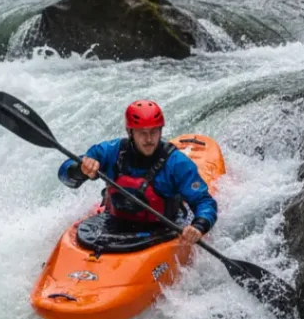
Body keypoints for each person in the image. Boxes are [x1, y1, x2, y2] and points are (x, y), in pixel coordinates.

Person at [57, 100, 217, 244]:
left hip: (161, 228)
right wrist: (80, 170)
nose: (149, 139)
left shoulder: (177, 163)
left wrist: (199, 226)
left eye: (154, 132)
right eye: (142, 133)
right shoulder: (110, 151)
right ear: (130, 133)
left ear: (161, 131)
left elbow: (204, 201)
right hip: (114, 223)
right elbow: (65, 174)